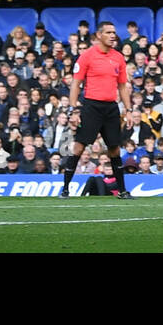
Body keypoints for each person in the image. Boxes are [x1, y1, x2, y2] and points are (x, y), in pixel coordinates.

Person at [62, 20, 137, 198]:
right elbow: (76, 83)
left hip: (111, 107)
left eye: (114, 33)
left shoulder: (118, 57)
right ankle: (65, 188)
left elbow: (122, 86)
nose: (113, 36)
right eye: (109, 32)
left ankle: (122, 190)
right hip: (91, 106)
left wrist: (128, 110)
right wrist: (73, 109)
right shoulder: (87, 56)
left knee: (114, 149)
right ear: (99, 35)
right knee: (79, 148)